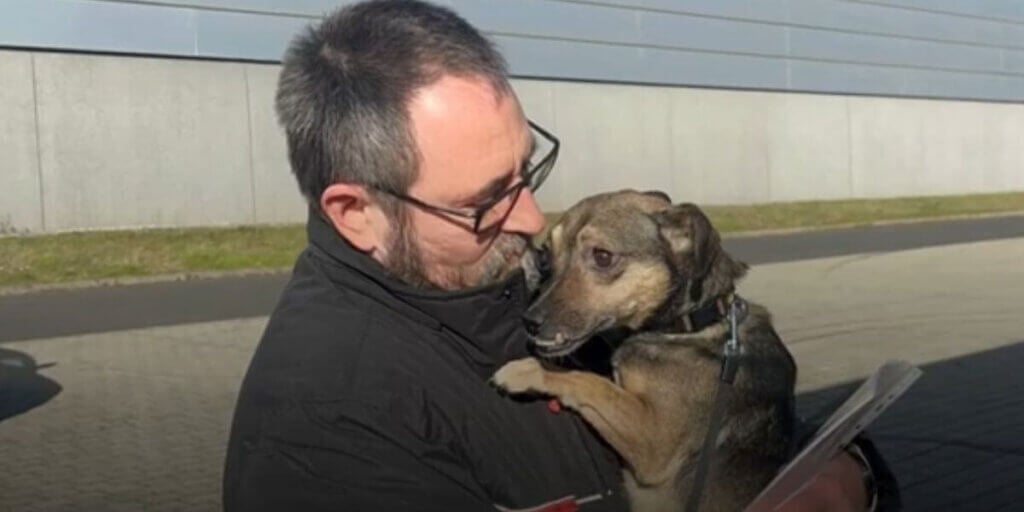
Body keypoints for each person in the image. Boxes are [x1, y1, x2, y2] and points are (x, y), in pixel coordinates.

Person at [221, 1, 899, 510]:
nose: (531, 218)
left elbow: (741, 434)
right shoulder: (325, 434)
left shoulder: (506, 275)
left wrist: (851, 476)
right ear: (357, 212)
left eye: (527, 169)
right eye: (486, 199)